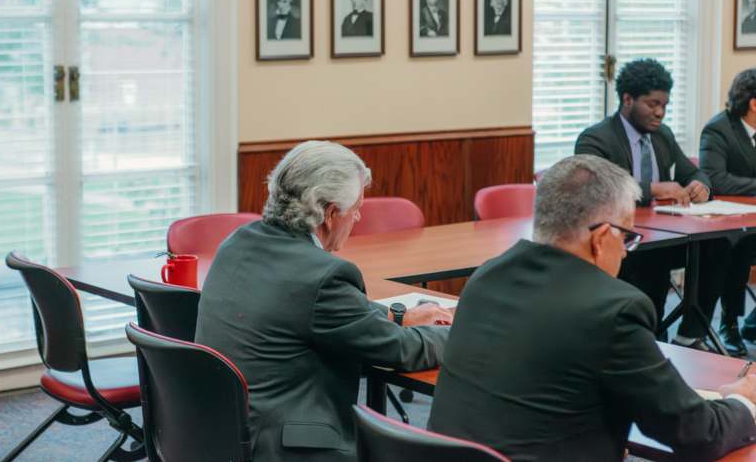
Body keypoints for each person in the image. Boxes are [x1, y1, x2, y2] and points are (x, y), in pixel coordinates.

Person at [429, 154, 756, 461]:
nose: (627, 253)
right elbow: (695, 434)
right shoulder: (611, 309)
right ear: (601, 238)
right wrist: (743, 401)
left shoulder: (487, 276)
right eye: (627, 237)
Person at [195, 141, 451, 462]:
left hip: (221, 435)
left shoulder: (237, 243)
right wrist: (467, 333)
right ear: (330, 213)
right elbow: (400, 350)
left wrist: (400, 316)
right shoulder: (324, 275)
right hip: (287, 448)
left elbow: (310, 307)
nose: (358, 216)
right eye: (356, 206)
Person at [575, 58, 719, 352]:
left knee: (718, 244)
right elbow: (596, 190)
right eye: (652, 104)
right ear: (627, 99)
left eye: (665, 105)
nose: (660, 113)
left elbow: (693, 170)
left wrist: (700, 185)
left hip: (665, 233)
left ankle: (690, 332)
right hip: (621, 237)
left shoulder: (662, 135)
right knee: (647, 268)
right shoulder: (596, 138)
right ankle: (643, 339)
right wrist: (652, 188)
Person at [700, 68, 756, 355]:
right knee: (739, 249)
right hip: (727, 227)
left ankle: (753, 324)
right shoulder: (719, 129)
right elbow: (715, 178)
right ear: (754, 103)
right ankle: (729, 324)